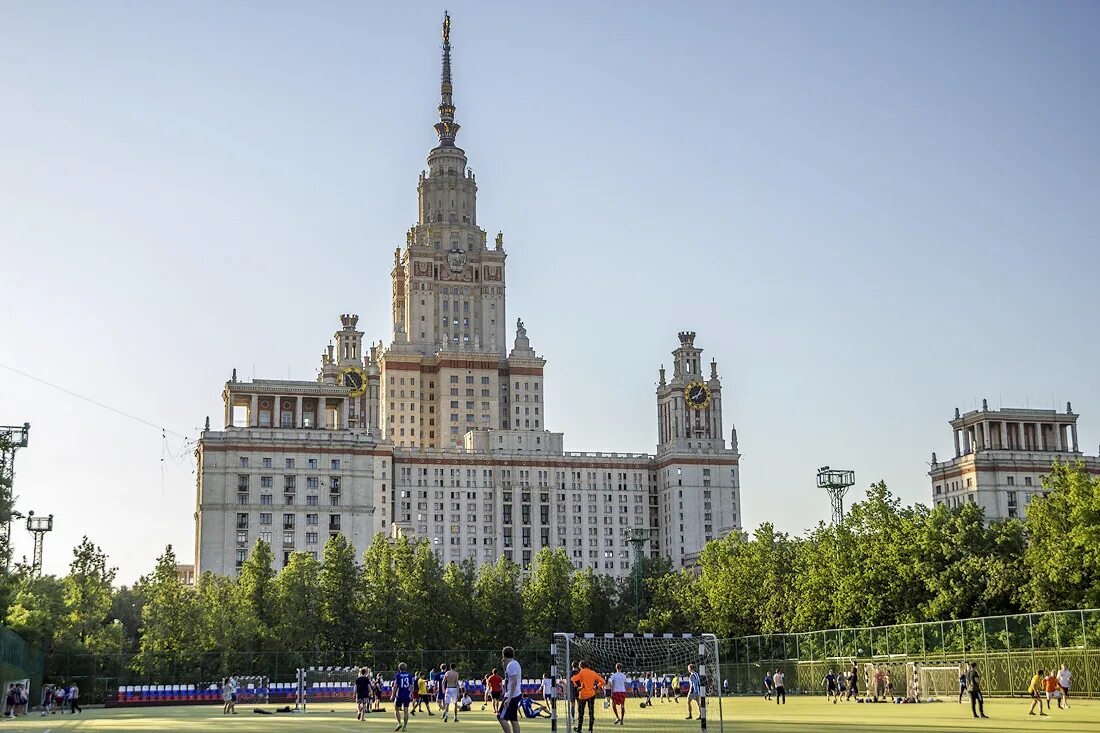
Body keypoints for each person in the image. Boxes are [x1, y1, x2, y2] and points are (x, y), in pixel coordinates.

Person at [571, 660, 605, 733]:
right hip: (591, 694)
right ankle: (590, 729)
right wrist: (596, 687)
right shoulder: (593, 672)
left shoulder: (582, 672)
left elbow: (573, 679)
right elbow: (603, 682)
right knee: (591, 713)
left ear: (581, 666)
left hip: (582, 695)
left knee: (581, 713)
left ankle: (579, 729)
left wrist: (576, 685)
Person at [498, 646, 522, 733]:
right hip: (516, 694)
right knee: (513, 720)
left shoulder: (511, 665)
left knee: (501, 717)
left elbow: (514, 682)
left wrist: (509, 698)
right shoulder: (514, 663)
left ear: (503, 655)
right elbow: (507, 676)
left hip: (512, 695)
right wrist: (504, 665)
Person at [393, 662, 413, 731]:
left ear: (399, 668)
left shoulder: (398, 675)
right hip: (407, 694)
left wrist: (392, 695)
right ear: (406, 668)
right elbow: (411, 686)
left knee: (396, 709)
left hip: (399, 694)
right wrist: (411, 694)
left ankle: (399, 723)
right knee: (406, 710)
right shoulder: (409, 675)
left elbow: (395, 686)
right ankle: (404, 727)